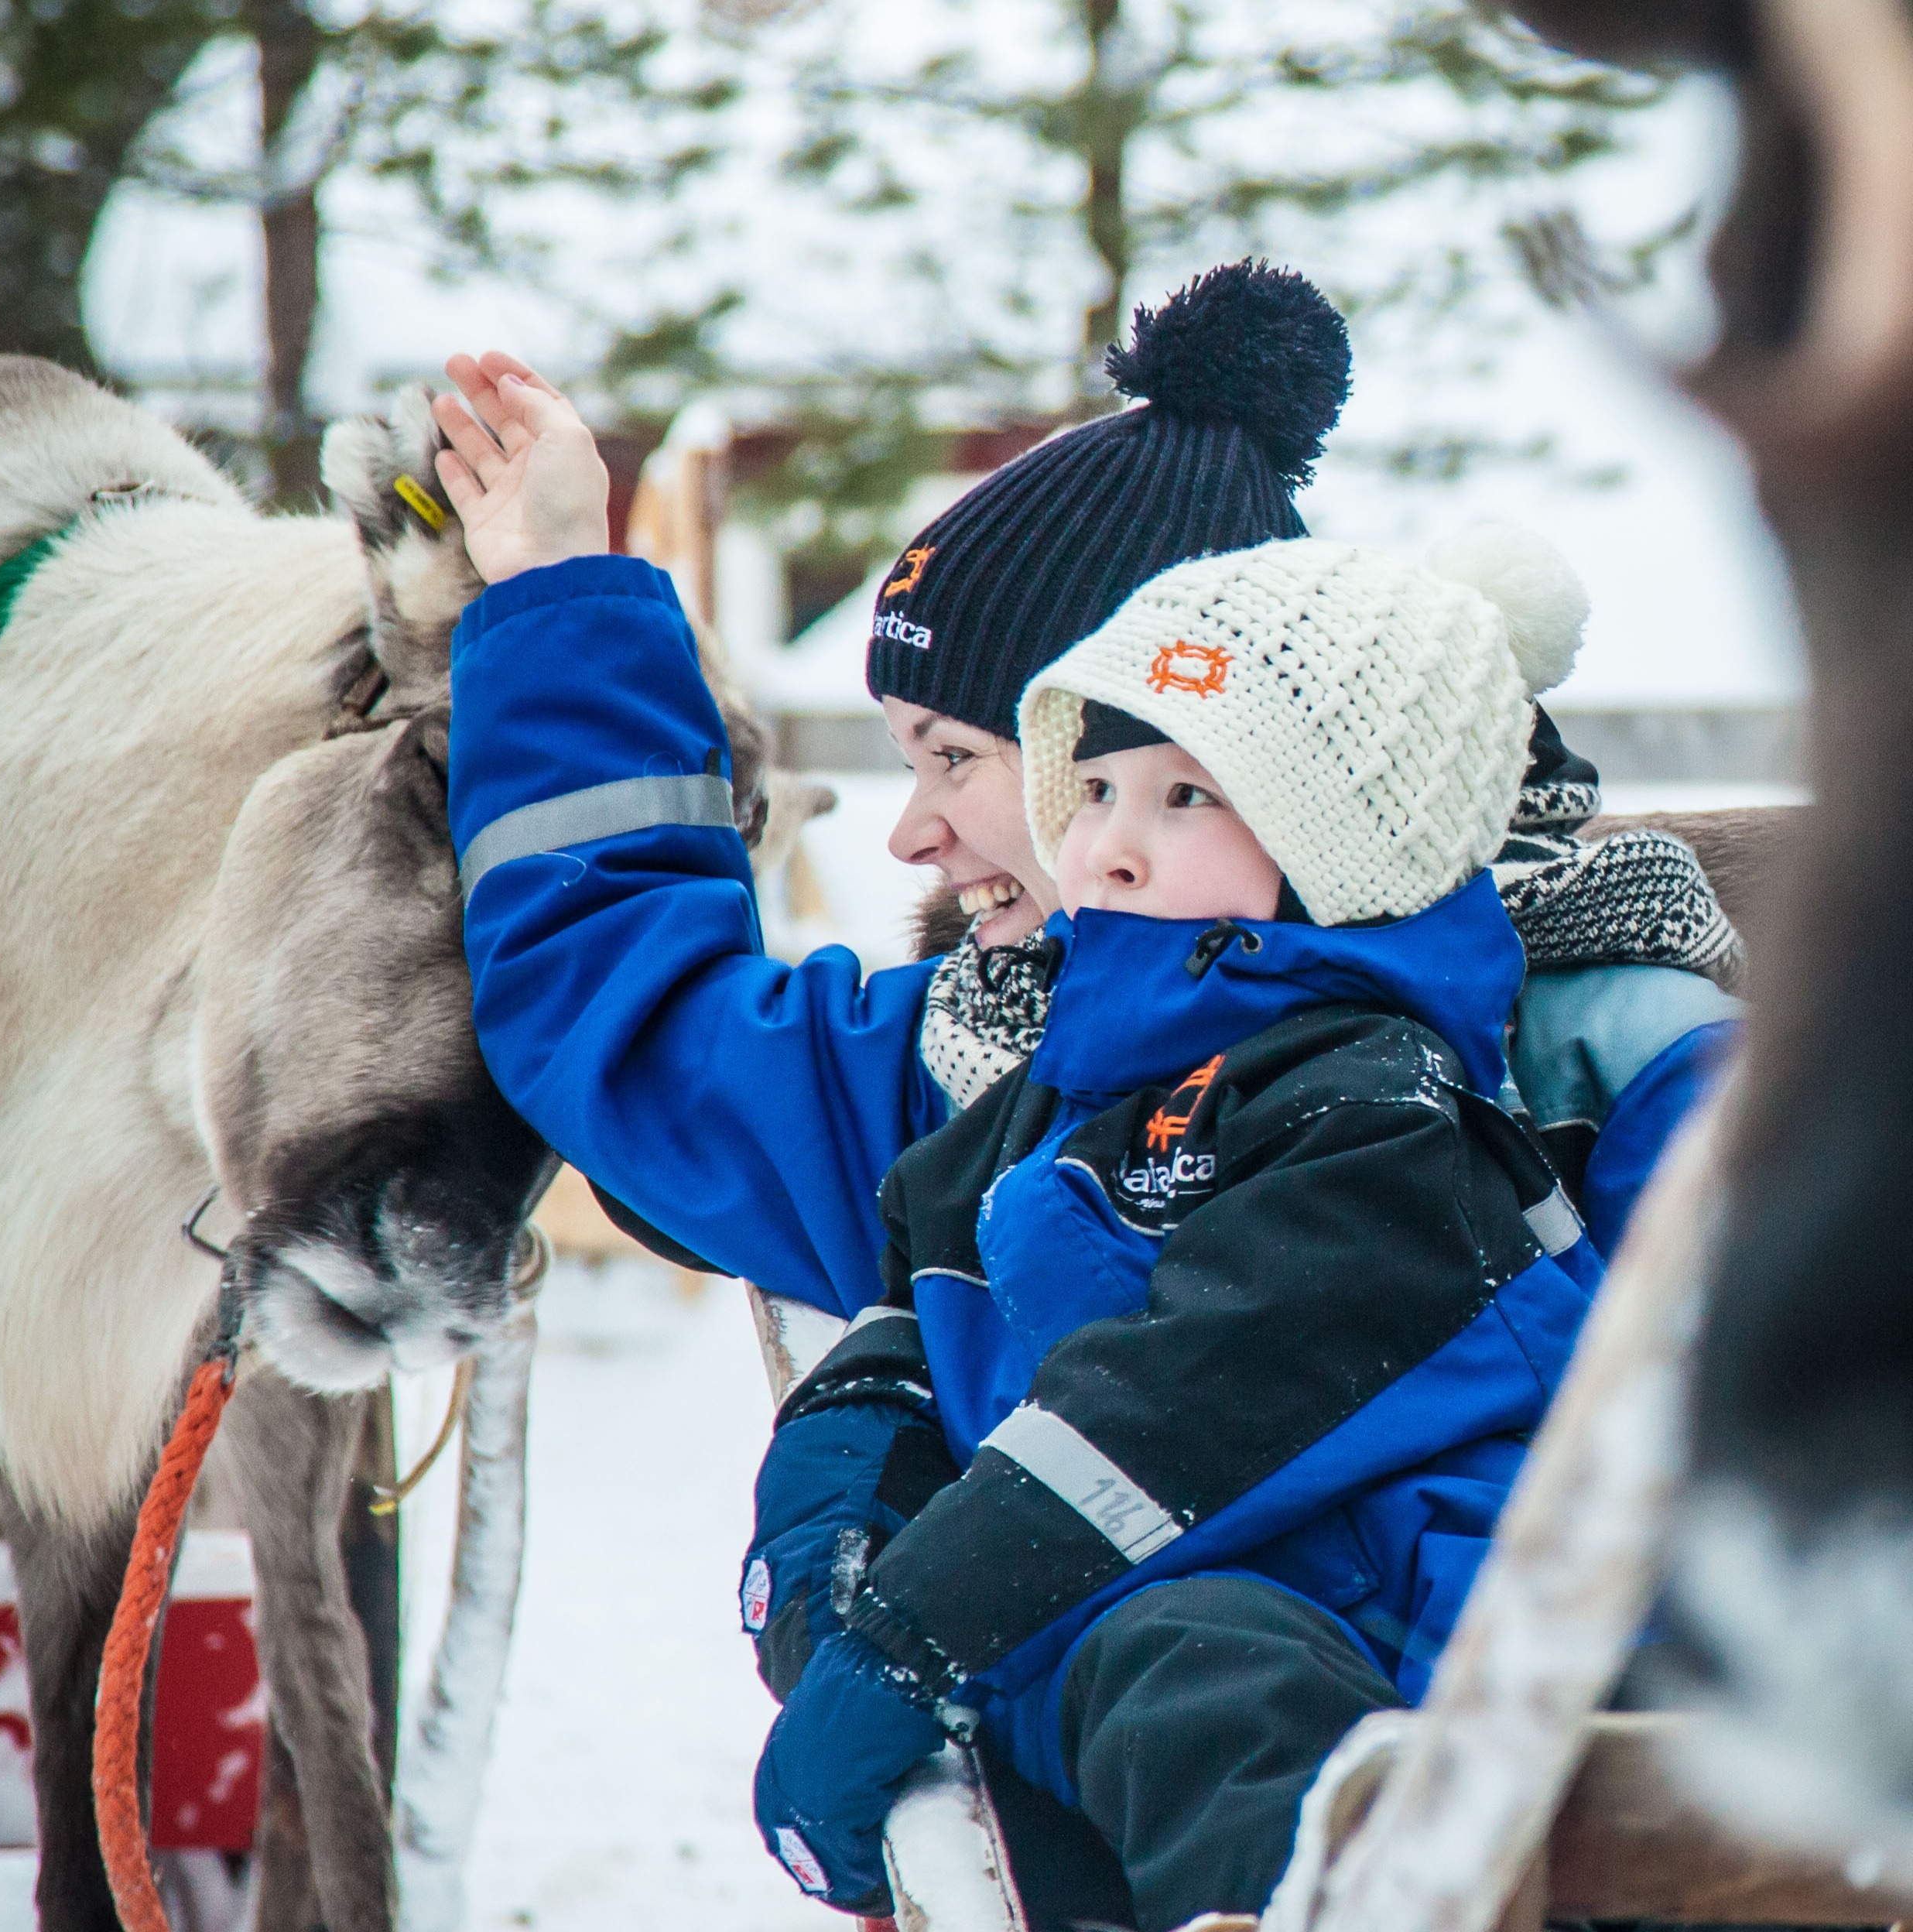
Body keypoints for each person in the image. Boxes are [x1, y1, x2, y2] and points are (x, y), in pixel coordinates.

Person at [436, 260, 1737, 1319]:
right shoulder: (984, 1068)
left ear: (1154, 749)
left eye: (956, 756)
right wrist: (558, 591)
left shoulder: (1610, 1060)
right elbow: (646, 1039)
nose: (912, 834)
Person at [741, 528, 1607, 1928]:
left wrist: (907, 1643)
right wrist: (826, 1542)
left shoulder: (1377, 1113)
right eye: (1091, 789)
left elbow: (1181, 1411)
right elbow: (905, 1334)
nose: (1112, 847)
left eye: (1188, 795)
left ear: (1336, 851)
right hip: (1085, 1653)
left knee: (1206, 1667)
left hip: (1394, 1652)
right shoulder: (1042, 1108)